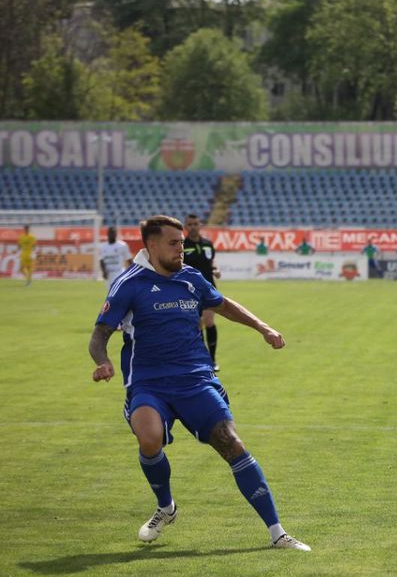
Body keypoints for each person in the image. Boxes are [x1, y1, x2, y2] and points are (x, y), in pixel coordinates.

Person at [89, 215, 309, 551]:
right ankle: (166, 507)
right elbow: (99, 334)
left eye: (181, 242)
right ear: (151, 245)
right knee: (150, 439)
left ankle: (278, 533)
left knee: (232, 444)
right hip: (148, 383)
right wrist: (102, 361)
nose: (181, 249)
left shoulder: (191, 278)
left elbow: (224, 306)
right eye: (174, 243)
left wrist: (263, 328)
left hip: (195, 379)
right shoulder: (128, 284)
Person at [182, 214, 221, 371]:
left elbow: (211, 261)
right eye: (190, 224)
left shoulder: (207, 244)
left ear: (200, 225)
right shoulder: (182, 245)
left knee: (209, 321)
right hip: (190, 291)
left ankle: (212, 360)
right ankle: (201, 359)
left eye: (195, 224)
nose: (193, 226)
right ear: (185, 227)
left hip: (209, 289)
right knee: (197, 326)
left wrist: (215, 269)